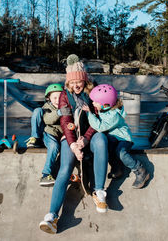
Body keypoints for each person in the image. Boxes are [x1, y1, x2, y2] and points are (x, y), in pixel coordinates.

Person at [39, 54, 109, 234]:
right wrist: (73, 145)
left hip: (91, 134)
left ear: (85, 80)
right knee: (65, 168)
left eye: (79, 81)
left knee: (101, 139)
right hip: (70, 138)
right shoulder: (64, 96)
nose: (76, 85)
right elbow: (65, 121)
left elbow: (99, 119)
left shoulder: (94, 93)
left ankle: (99, 191)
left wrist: (85, 138)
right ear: (68, 83)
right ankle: (52, 216)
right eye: (72, 83)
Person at [83, 84, 150, 189]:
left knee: (121, 153)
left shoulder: (114, 115)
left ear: (104, 103)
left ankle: (140, 170)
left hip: (123, 139)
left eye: (95, 101)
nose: (93, 103)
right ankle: (117, 169)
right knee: (107, 148)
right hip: (114, 138)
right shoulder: (105, 109)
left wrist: (89, 114)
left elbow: (100, 127)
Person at [26, 84, 64, 186]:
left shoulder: (65, 106)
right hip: (48, 134)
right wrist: (59, 113)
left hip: (59, 136)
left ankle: (46, 174)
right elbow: (48, 120)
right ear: (48, 98)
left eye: (60, 97)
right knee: (37, 110)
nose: (57, 100)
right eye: (54, 98)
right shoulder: (47, 107)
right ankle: (46, 174)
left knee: (55, 146)